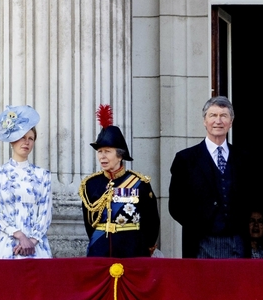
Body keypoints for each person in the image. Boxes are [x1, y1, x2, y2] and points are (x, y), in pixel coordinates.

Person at [169, 96, 245, 258]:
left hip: (237, 242)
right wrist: (198, 225)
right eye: (213, 115)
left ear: (231, 122)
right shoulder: (186, 159)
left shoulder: (243, 158)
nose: (218, 121)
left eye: (224, 116)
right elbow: (176, 205)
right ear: (205, 121)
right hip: (200, 244)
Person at [79, 106, 159, 258]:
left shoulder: (139, 183)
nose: (102, 157)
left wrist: (147, 246)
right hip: (100, 249)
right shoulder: (90, 184)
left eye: (107, 152)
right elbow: (89, 223)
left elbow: (151, 220)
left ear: (120, 155)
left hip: (132, 249)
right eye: (100, 152)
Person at [0, 106, 52, 259]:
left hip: (36, 247)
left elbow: (45, 212)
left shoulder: (43, 175)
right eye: (22, 137)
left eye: (30, 138)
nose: (26, 142)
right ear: (12, 140)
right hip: (6, 244)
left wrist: (32, 240)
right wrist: (19, 236)